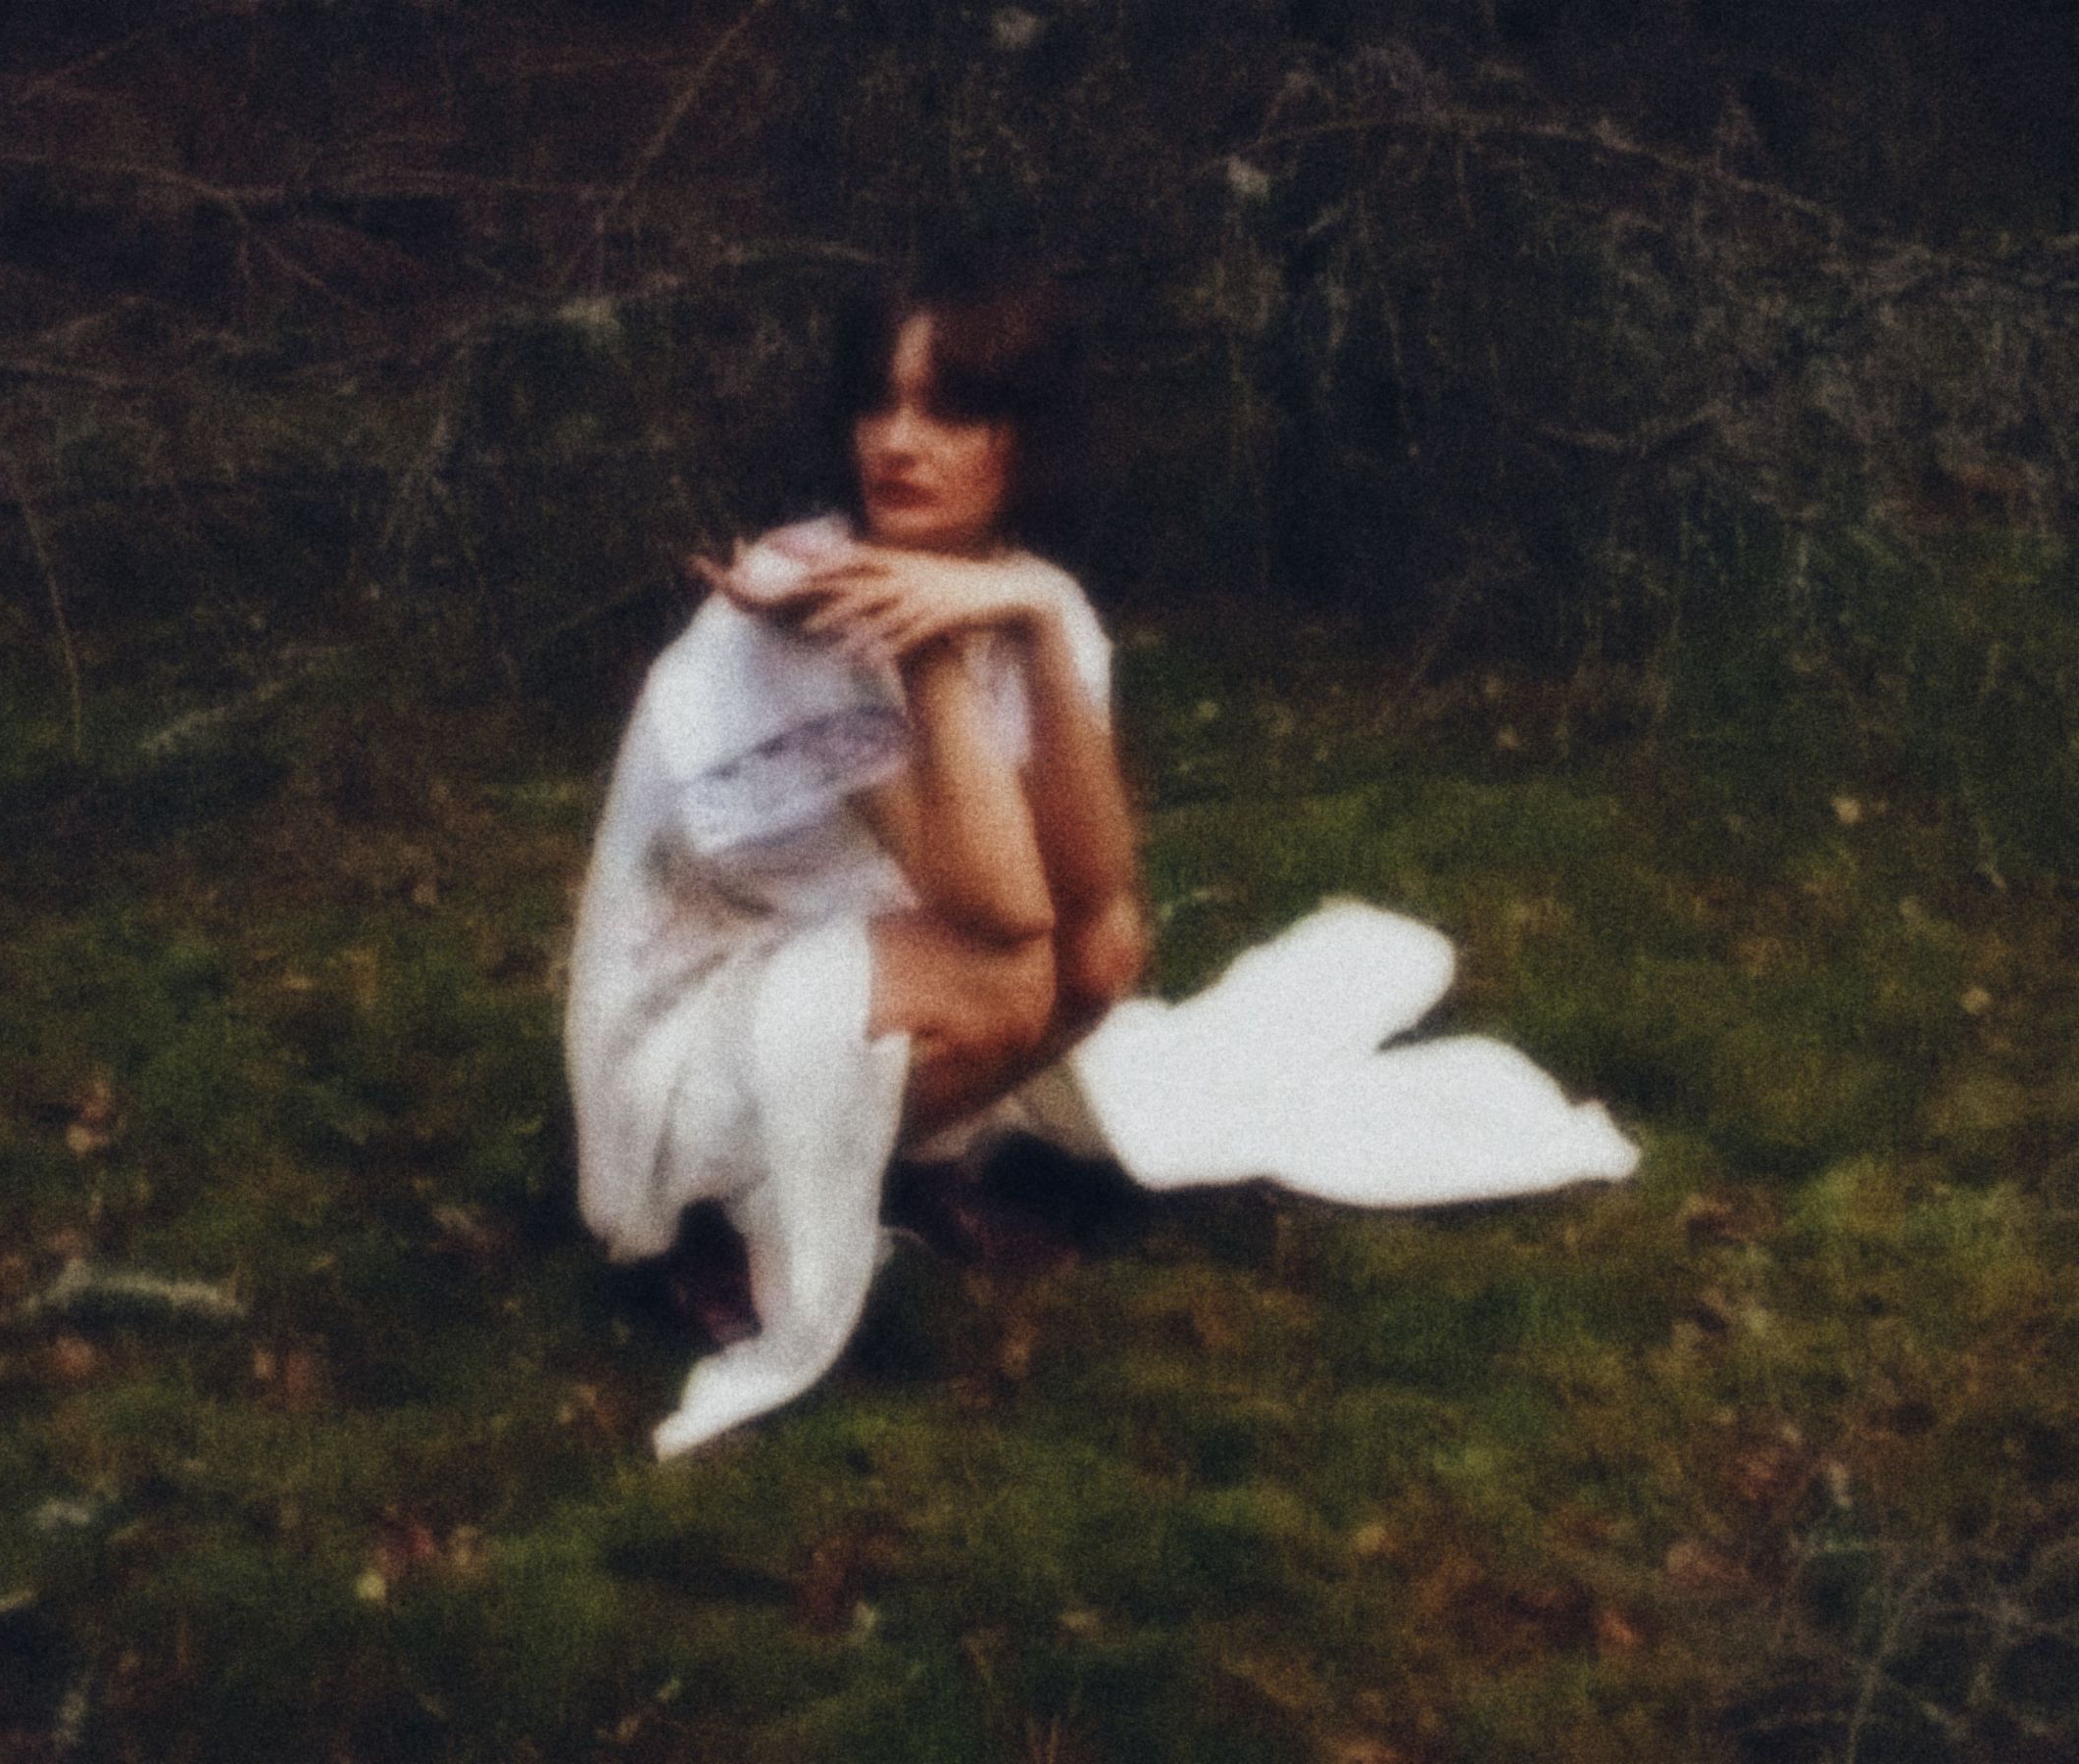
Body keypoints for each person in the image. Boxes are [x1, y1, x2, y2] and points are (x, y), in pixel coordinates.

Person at [568, 253, 1639, 1458]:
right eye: (879, 402)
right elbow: (1002, 913)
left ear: (1027, 438)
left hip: (845, 970)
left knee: (1107, 953)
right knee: (1012, 975)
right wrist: (924, 650)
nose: (898, 442)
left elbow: (1098, 889)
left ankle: (893, 1162)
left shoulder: (1023, 593)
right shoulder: (803, 605)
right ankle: (717, 1221)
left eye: (951, 409)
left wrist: (1028, 625)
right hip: (689, 1039)